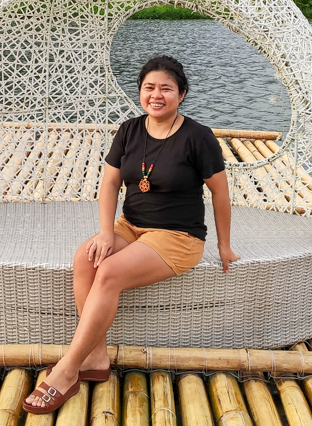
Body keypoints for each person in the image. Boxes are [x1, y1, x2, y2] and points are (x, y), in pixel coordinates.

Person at [24, 55, 240, 414]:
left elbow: (220, 192)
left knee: (109, 272)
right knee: (86, 256)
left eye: (166, 89)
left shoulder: (198, 137)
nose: (157, 95)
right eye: (149, 88)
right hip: (132, 226)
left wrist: (224, 244)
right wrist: (106, 232)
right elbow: (109, 184)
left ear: (181, 94)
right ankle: (95, 355)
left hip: (177, 235)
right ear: (140, 92)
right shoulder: (129, 130)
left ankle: (66, 370)